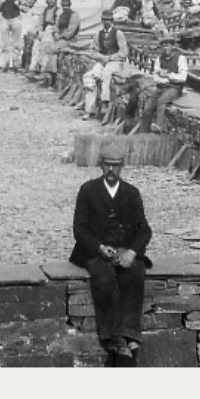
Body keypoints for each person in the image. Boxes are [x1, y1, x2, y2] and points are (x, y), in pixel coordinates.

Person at [70, 139, 153, 366]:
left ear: (122, 166)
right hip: (96, 252)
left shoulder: (131, 193)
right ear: (100, 165)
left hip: (124, 251)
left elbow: (143, 230)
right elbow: (80, 229)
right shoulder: (88, 191)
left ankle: (129, 334)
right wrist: (99, 247)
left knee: (135, 274)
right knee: (104, 277)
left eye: (115, 165)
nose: (110, 170)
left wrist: (132, 253)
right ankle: (112, 337)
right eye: (107, 165)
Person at [82, 8, 129, 120]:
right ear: (102, 21)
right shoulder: (98, 34)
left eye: (109, 20)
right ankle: (89, 110)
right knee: (89, 77)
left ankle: (105, 101)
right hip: (102, 61)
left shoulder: (118, 34)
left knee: (106, 73)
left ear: (112, 21)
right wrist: (100, 57)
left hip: (116, 62)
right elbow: (93, 51)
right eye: (105, 20)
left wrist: (111, 57)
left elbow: (124, 52)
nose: (107, 22)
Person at [27, 0, 60, 85]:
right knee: (36, 45)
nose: (51, 2)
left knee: (47, 45)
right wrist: (40, 31)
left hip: (54, 32)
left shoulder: (58, 11)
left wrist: (53, 31)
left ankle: (45, 70)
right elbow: (40, 23)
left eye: (53, 0)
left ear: (56, 1)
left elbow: (59, 25)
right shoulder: (45, 10)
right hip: (46, 31)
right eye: (49, 0)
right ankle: (34, 69)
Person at [0, 0, 25, 71]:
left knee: (16, 43)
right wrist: (2, 3)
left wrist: (19, 5)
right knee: (4, 43)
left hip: (15, 18)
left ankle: (16, 63)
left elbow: (26, 9)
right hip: (5, 18)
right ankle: (4, 63)